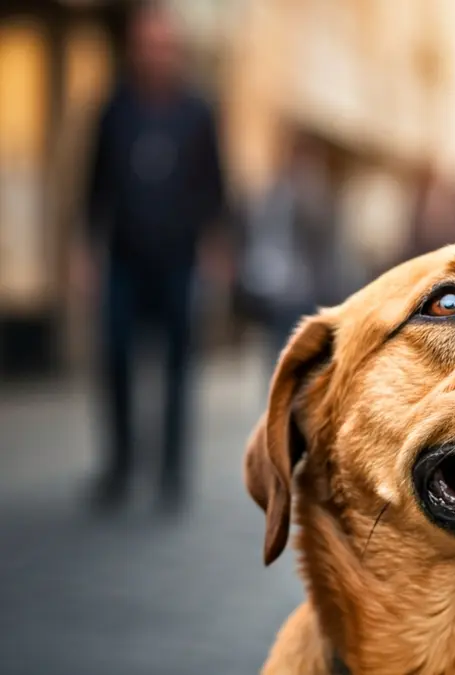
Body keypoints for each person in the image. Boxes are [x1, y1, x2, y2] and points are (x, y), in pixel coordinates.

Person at [79, 1, 227, 511]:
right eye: (147, 45)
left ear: (176, 51)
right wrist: (86, 252)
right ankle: (120, 464)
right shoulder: (113, 109)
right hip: (123, 257)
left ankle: (171, 472)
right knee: (116, 356)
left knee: (178, 366)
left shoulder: (198, 112)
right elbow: (94, 185)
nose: (156, 54)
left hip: (178, 260)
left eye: (164, 45)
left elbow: (215, 187)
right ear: (134, 49)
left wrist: (215, 249)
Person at [238, 128, 343, 367]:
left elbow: (324, 244)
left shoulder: (315, 194)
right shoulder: (276, 190)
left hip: (303, 290)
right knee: (277, 351)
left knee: (297, 354)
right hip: (275, 289)